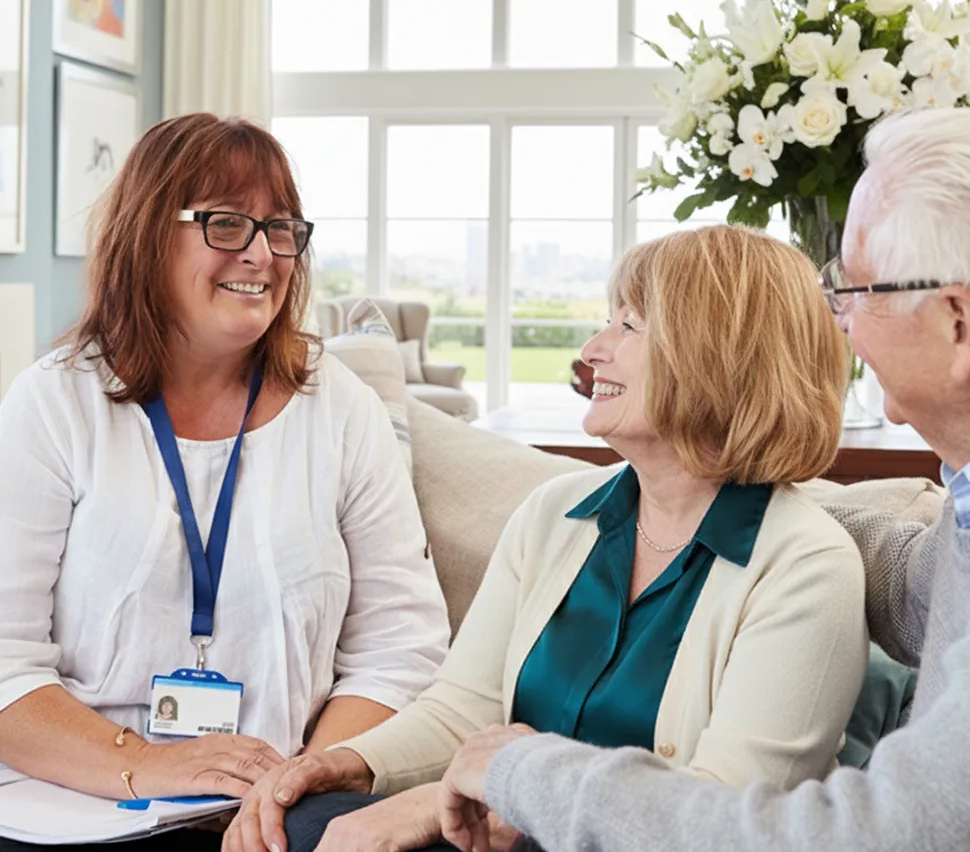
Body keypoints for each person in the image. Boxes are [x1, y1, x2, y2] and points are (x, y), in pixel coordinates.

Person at [222, 224, 869, 852]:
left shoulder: (807, 565)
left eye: (628, 326)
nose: (592, 349)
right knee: (300, 820)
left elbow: (717, 819)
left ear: (717, 354)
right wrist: (340, 763)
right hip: (499, 828)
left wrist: (447, 803)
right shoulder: (554, 514)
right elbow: (463, 709)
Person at [438, 107, 970, 852]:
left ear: (957, 322)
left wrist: (519, 773)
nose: (840, 322)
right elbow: (920, 588)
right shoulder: (957, 522)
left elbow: (874, 833)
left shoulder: (809, 559)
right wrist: (721, 501)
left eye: (856, 290)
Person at [0, 114, 450, 850]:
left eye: (280, 228)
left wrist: (297, 780)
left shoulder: (341, 408)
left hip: (280, 809)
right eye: (228, 223)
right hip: (83, 800)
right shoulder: (53, 403)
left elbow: (401, 648)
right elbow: (4, 664)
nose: (263, 254)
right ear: (148, 235)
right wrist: (148, 764)